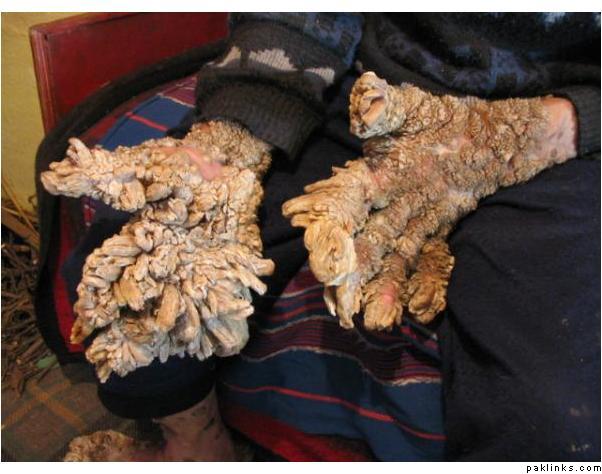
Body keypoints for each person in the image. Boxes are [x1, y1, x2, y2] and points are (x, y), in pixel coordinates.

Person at [39, 13, 600, 461]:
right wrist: (237, 127)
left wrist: (543, 130)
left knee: (557, 419)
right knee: (142, 260)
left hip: (556, 123)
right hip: (375, 91)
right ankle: (198, 445)